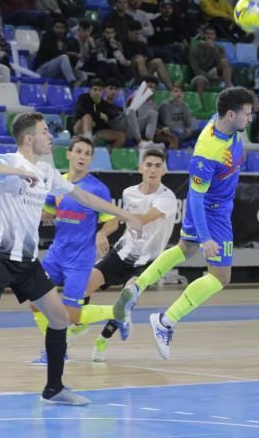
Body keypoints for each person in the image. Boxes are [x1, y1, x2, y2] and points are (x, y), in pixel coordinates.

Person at [0, 111, 141, 412]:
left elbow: (85, 199)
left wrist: (126, 215)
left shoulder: (48, 172)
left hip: (26, 262)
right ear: (29, 138)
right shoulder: (12, 162)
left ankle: (53, 388)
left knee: (60, 318)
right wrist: (14, 173)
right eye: (44, 132)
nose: (50, 137)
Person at [111, 88, 253, 359]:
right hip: (213, 212)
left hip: (215, 205)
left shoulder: (223, 121)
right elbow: (196, 200)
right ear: (232, 115)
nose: (250, 118)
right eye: (246, 113)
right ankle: (166, 321)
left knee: (185, 249)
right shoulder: (208, 153)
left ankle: (138, 286)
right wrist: (207, 237)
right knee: (221, 277)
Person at [29, 136, 139, 364]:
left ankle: (116, 312)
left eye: (87, 153)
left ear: (90, 159)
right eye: (78, 151)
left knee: (72, 316)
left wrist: (101, 233)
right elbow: (49, 213)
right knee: (34, 299)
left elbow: (112, 221)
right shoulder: (58, 183)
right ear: (68, 154)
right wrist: (27, 209)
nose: (82, 156)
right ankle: (57, 351)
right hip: (56, 254)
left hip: (79, 260)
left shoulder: (97, 189)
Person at [90, 149, 177, 361]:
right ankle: (75, 327)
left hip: (148, 262)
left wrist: (122, 216)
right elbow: (119, 220)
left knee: (127, 298)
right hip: (121, 253)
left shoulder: (167, 197)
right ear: (141, 168)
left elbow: (144, 218)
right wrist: (102, 233)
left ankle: (103, 339)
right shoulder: (129, 192)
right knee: (83, 287)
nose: (153, 169)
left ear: (164, 170)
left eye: (158, 165)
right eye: (149, 165)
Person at [73, 80, 127, 148]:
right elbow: (81, 112)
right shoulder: (83, 98)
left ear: (102, 92)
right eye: (95, 89)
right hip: (80, 127)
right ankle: (88, 142)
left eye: (100, 90)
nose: (97, 92)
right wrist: (99, 115)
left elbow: (108, 117)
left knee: (121, 136)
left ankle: (107, 153)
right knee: (87, 117)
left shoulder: (103, 103)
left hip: (95, 131)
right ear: (90, 90)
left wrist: (98, 121)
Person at [123, 20, 175, 90]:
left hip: (143, 72)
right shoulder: (123, 44)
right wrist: (136, 58)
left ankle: (171, 89)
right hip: (130, 73)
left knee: (157, 61)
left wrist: (146, 57)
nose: (137, 36)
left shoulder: (140, 44)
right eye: (135, 34)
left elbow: (150, 55)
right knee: (139, 59)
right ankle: (147, 89)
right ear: (129, 32)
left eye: (139, 34)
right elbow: (124, 61)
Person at [189, 26, 232, 94]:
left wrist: (214, 50)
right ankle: (201, 104)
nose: (209, 36)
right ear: (204, 35)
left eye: (212, 34)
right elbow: (195, 69)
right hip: (200, 74)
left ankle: (228, 91)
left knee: (225, 62)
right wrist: (210, 77)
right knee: (200, 82)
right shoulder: (196, 49)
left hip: (214, 72)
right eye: (207, 34)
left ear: (215, 36)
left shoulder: (219, 49)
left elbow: (222, 65)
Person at [35, 17, 79, 83]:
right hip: (42, 69)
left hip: (55, 69)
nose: (59, 30)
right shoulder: (47, 36)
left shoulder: (64, 40)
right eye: (57, 27)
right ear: (52, 28)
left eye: (61, 28)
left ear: (65, 29)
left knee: (80, 73)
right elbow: (53, 53)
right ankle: (73, 82)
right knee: (63, 57)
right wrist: (63, 51)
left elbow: (62, 54)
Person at [150, 0, 187, 65]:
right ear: (160, 9)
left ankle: (184, 68)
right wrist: (175, 41)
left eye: (170, 8)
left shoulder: (175, 20)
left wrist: (182, 40)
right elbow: (159, 37)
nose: (167, 10)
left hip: (171, 44)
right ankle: (184, 66)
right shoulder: (156, 21)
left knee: (184, 48)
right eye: (165, 8)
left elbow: (178, 33)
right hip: (159, 45)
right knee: (177, 47)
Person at [159, 82, 194, 148]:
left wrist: (188, 129)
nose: (178, 94)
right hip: (169, 132)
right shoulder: (165, 105)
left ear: (184, 94)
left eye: (181, 92)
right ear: (171, 93)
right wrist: (182, 130)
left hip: (182, 133)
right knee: (174, 135)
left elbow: (188, 123)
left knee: (201, 133)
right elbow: (167, 124)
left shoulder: (185, 106)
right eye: (176, 91)